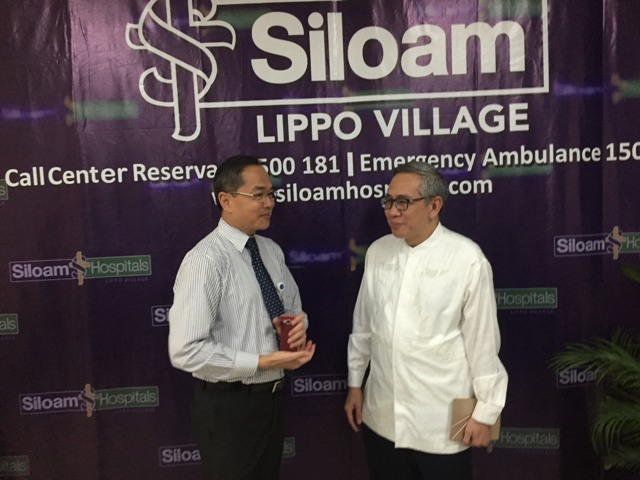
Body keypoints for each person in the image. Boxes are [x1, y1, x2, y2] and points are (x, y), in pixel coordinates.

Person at [344, 163, 507, 480]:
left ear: (434, 206)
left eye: (403, 202)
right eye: (389, 201)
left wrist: (486, 412)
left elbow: (482, 344)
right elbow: (363, 327)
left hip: (439, 423)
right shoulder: (378, 251)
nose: (393, 211)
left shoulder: (467, 258)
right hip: (382, 415)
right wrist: (355, 384)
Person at [168, 154, 316, 480]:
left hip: (271, 403)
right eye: (258, 195)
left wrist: (296, 328)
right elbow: (185, 350)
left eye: (271, 194)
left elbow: (294, 310)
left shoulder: (270, 250)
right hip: (229, 409)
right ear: (226, 200)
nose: (269, 203)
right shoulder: (206, 260)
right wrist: (263, 361)